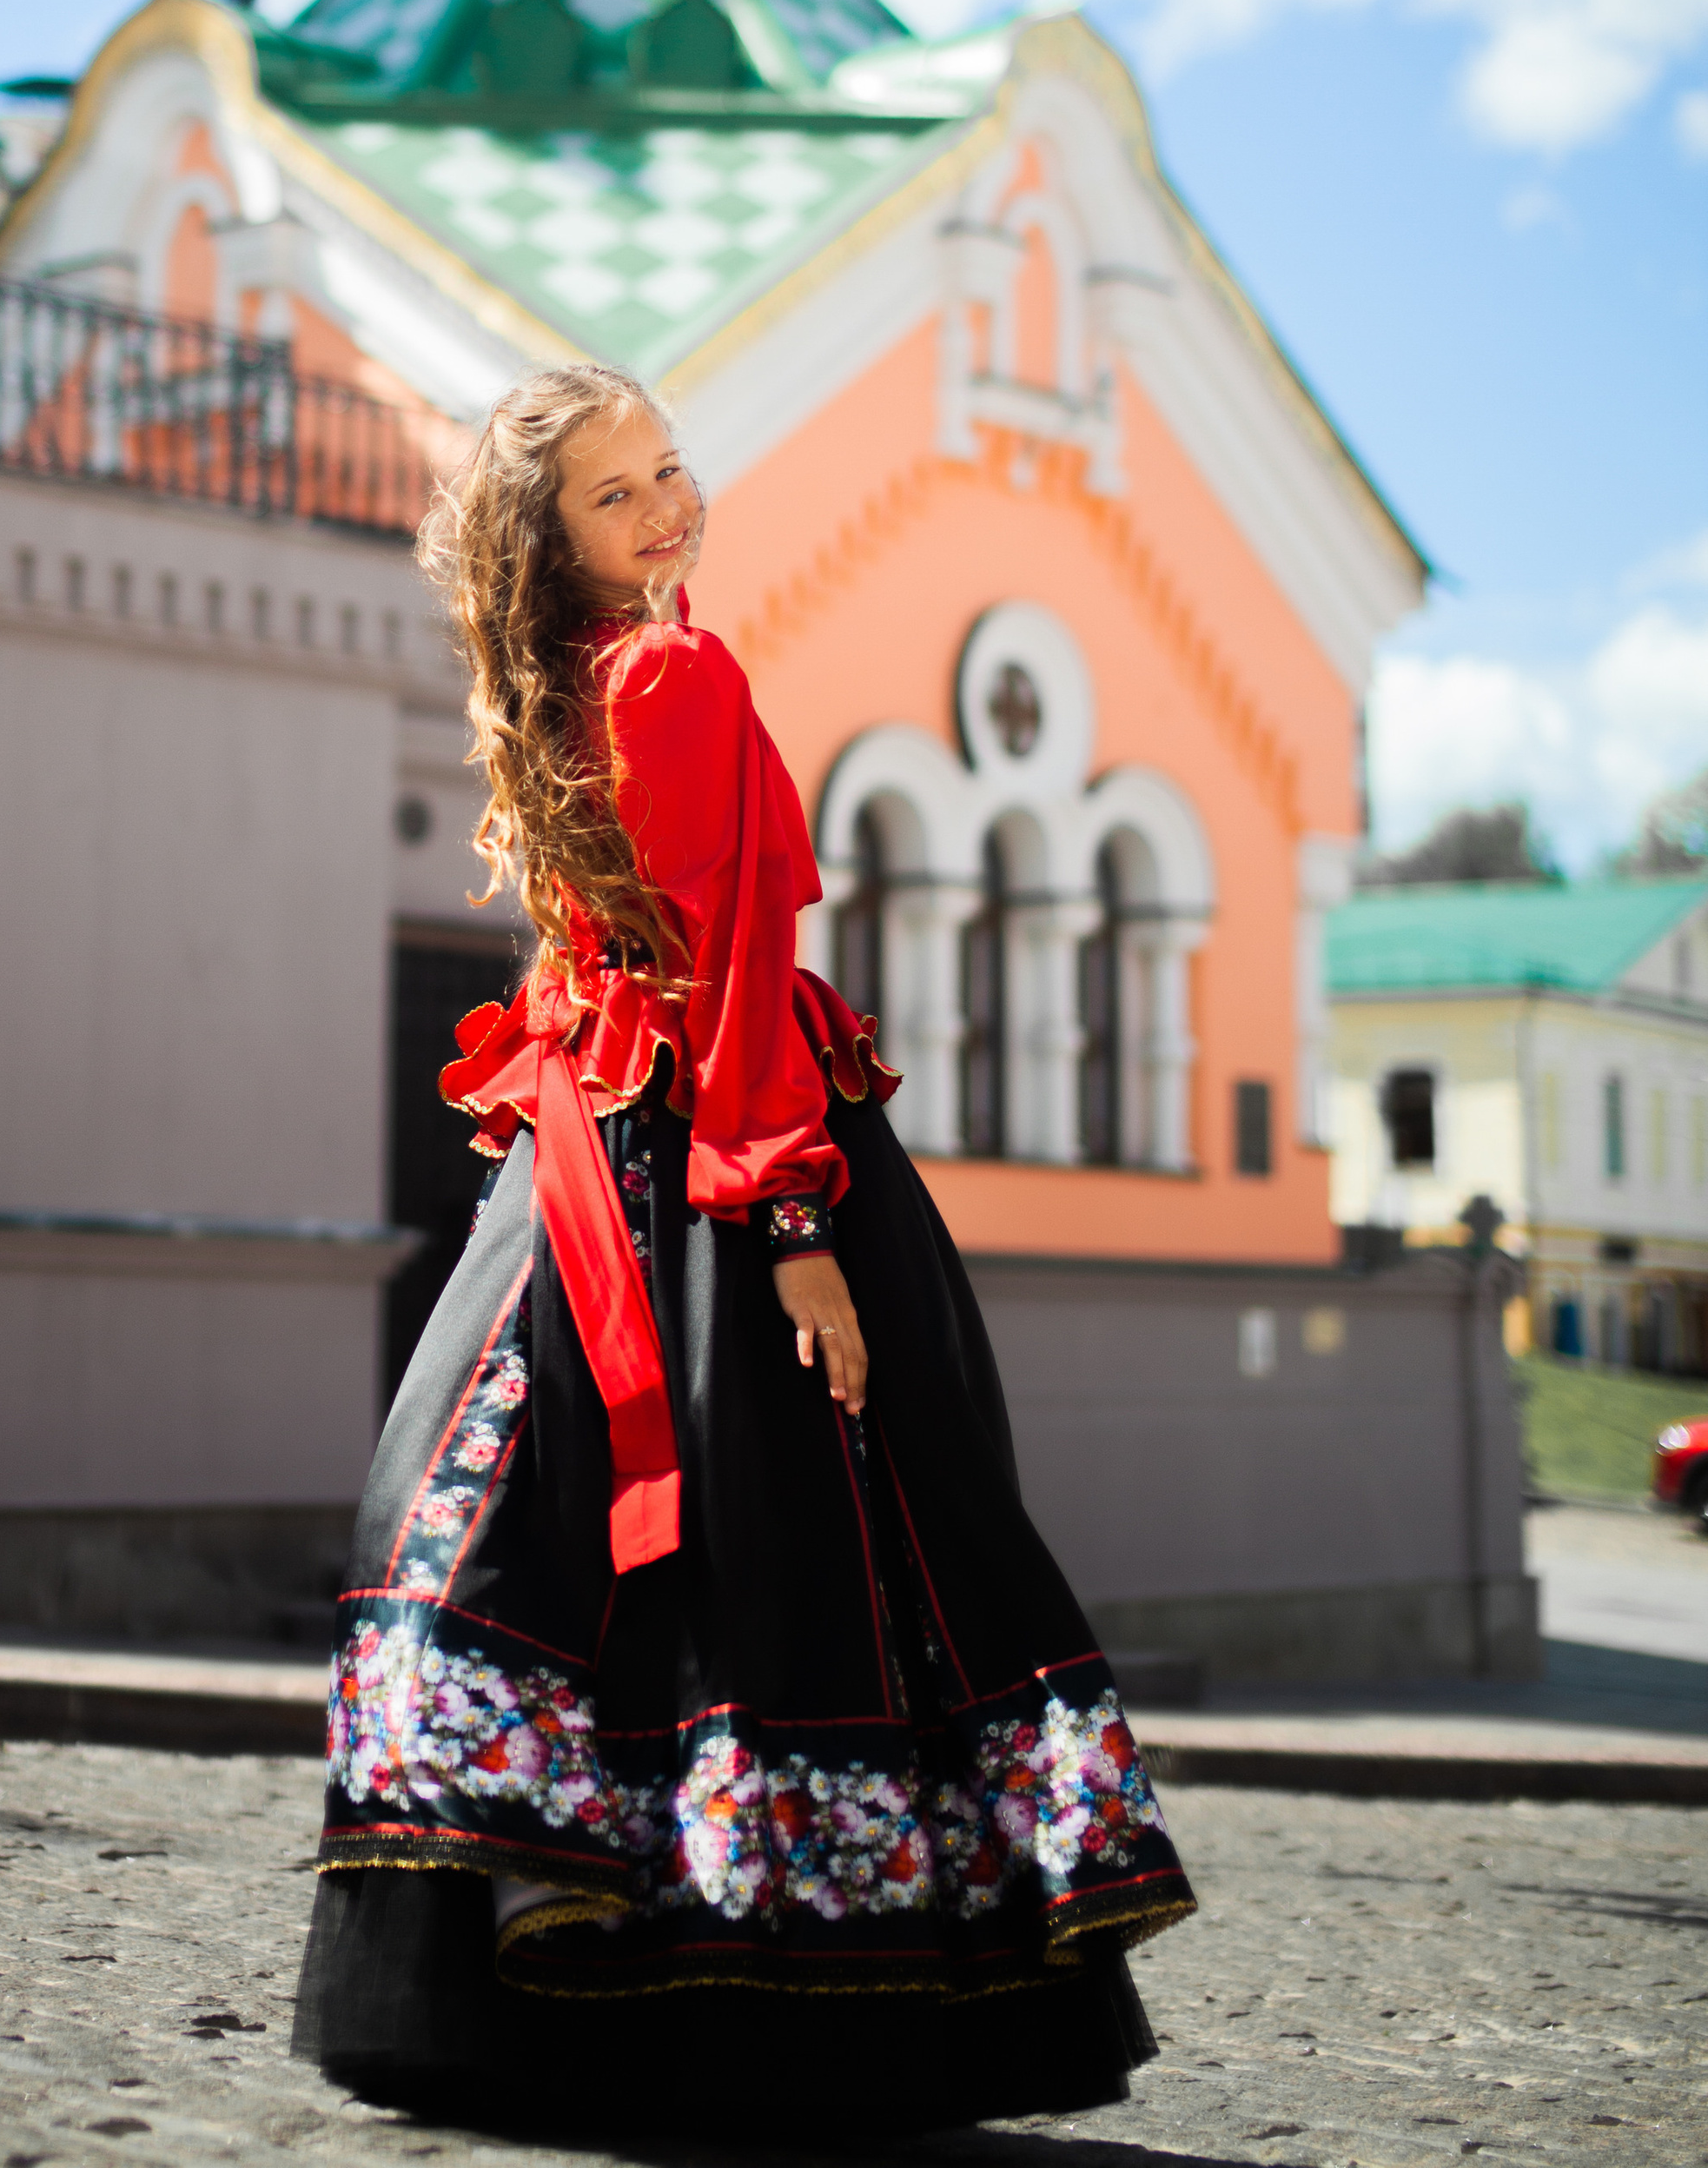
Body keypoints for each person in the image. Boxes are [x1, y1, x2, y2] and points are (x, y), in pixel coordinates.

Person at [293, 362, 1194, 2135]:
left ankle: (558, 1920)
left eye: (668, 469)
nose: (666, 508)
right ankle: (794, 1999)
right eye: (615, 494)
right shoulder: (668, 673)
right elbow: (723, 973)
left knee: (540, 1525)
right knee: (796, 1551)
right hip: (706, 1145)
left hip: (593, 1153)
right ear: (551, 541)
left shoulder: (564, 682)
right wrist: (793, 1227)